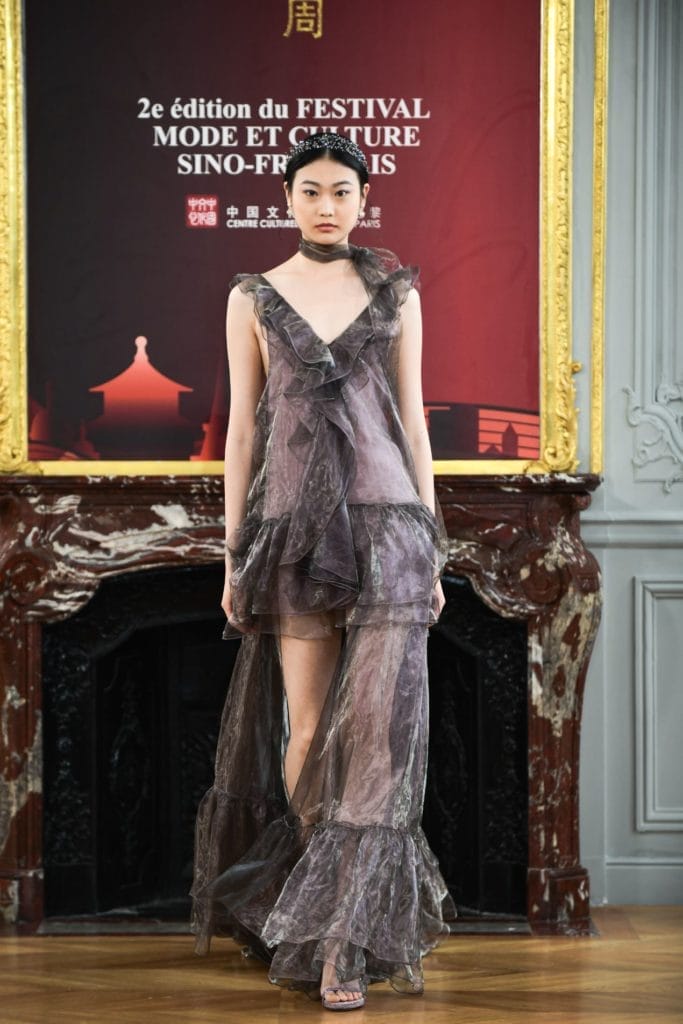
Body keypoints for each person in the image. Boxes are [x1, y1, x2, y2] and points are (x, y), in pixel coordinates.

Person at [191, 131, 455, 1011]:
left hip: (386, 527)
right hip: (291, 531)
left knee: (375, 738)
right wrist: (234, 550)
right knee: (304, 731)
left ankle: (343, 940)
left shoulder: (397, 292)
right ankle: (313, 909)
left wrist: (431, 540)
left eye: (342, 190)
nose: (327, 205)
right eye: (311, 190)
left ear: (362, 199)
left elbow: (413, 422)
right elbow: (241, 431)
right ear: (288, 199)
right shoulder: (253, 297)